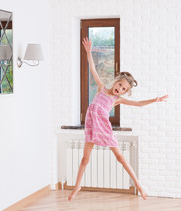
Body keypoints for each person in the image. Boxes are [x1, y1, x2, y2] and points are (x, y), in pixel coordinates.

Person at [68, 37, 168, 201]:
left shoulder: (117, 100)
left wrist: (154, 100)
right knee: (85, 159)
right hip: (92, 125)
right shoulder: (101, 89)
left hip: (104, 128)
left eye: (123, 89)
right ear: (115, 82)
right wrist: (88, 52)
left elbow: (138, 104)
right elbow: (92, 69)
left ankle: (139, 186)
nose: (119, 89)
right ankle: (77, 186)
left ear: (124, 92)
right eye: (119, 85)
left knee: (120, 158)